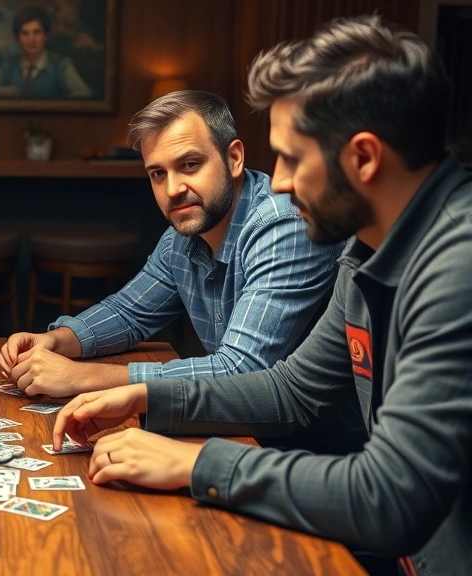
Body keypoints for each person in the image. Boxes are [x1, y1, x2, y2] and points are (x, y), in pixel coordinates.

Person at [53, 15, 470, 575]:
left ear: (365, 158)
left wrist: (199, 462)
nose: (278, 182)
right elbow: (292, 389)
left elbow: (389, 497)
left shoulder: (457, 264)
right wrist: (145, 398)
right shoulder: (372, 247)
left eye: (294, 159)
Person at [0, 90, 345, 399]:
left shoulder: (282, 225)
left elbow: (241, 371)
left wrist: (82, 377)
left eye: (190, 165)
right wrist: (56, 340)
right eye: (158, 174)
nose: (172, 189)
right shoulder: (185, 233)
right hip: (247, 430)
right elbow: (128, 313)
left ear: (234, 158)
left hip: (317, 449)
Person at [0, 5, 92, 99]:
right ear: (18, 38)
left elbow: (85, 95)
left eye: (37, 32)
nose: (31, 39)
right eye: (25, 33)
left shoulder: (61, 65)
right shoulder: (10, 64)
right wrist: (0, 91)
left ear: (46, 36)